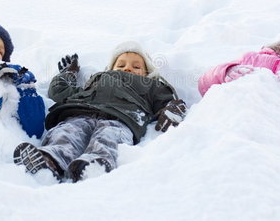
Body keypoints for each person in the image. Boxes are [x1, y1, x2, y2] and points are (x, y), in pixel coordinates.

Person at [13, 41, 187, 182]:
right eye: (121, 64)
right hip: (80, 112)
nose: (128, 68)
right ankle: (51, 158)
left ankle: (95, 163)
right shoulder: (96, 80)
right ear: (110, 68)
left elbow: (167, 99)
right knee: (67, 132)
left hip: (121, 119)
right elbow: (59, 92)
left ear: (147, 72)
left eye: (136, 66)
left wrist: (173, 108)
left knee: (109, 136)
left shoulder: (151, 85)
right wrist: (69, 73)